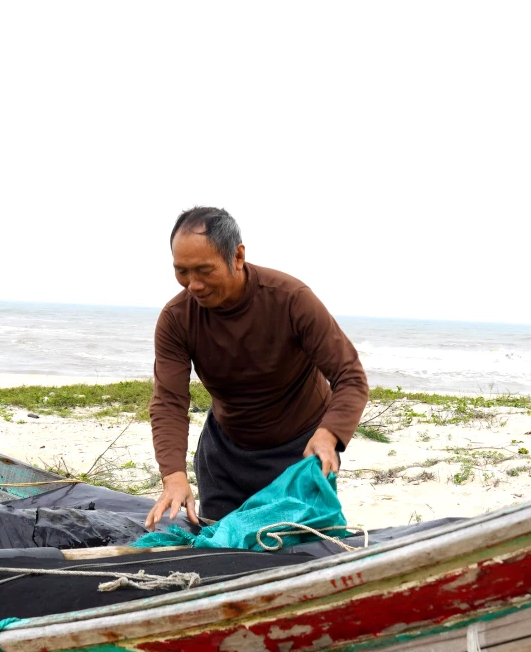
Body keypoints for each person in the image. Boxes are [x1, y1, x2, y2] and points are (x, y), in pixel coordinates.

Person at [146, 206, 369, 530]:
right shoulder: (176, 319)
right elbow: (169, 402)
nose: (193, 285)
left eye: (204, 270)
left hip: (301, 451)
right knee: (223, 550)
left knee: (302, 548)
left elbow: (350, 376)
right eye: (182, 271)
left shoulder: (291, 300)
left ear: (237, 257)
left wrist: (329, 434)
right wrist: (174, 474)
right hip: (225, 457)